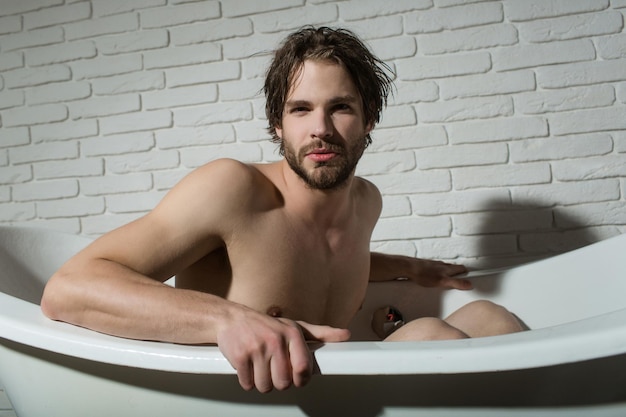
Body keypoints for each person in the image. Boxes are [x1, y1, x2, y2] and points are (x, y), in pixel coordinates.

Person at [41, 26, 524, 393]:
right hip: (252, 400)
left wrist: (410, 268)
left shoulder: (365, 202)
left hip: (337, 391)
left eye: (341, 107)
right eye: (300, 109)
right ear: (278, 125)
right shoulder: (233, 190)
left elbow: (320, 256)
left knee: (489, 317)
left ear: (368, 119)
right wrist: (227, 320)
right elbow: (69, 289)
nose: (321, 128)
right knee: (433, 336)